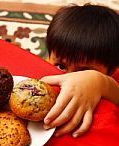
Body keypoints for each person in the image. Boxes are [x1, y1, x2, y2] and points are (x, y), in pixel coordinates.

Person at [40, 4, 119, 138]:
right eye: (61, 66)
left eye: (84, 71)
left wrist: (100, 82)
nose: (70, 78)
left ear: (111, 70)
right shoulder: (48, 63)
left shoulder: (112, 76)